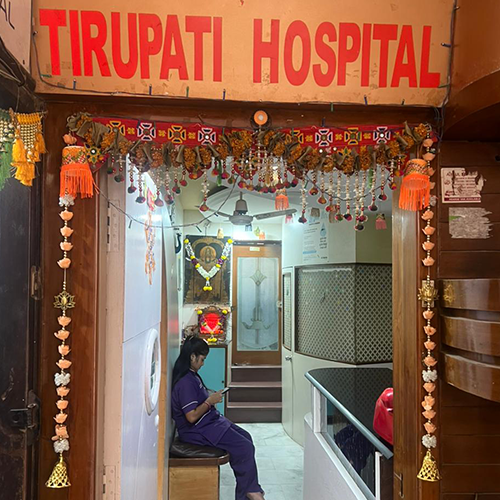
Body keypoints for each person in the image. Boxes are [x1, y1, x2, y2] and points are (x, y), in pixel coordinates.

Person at [172, 336, 265, 500]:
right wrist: (210, 401)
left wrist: (210, 398)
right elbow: (191, 416)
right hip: (197, 430)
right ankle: (251, 491)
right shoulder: (185, 382)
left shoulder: (193, 376)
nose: (203, 364)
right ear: (192, 357)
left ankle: (248, 491)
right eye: (202, 359)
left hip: (209, 422)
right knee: (244, 447)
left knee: (246, 438)